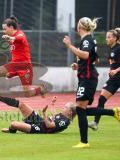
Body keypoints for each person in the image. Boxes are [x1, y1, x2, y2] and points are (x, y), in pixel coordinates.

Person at [0, 16, 47, 103]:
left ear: (11, 27)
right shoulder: (11, 37)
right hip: (17, 65)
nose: (3, 31)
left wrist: (11, 38)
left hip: (24, 66)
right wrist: (13, 73)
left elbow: (21, 38)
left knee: (27, 94)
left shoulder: (20, 34)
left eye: (5, 29)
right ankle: (40, 89)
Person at [0, 90, 120, 134]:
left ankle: (11, 130)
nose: (64, 107)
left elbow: (49, 125)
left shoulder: (65, 122)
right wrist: (52, 104)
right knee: (22, 104)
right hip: (41, 121)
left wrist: (44, 113)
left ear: (69, 113)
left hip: (41, 129)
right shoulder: (62, 116)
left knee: (14, 123)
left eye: (66, 107)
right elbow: (53, 118)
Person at [63, 17, 99, 148]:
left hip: (88, 78)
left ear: (80, 27)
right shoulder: (89, 40)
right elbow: (94, 60)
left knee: (80, 108)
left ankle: (84, 142)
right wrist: (79, 66)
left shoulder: (87, 40)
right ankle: (112, 112)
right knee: (81, 108)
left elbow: (85, 55)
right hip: (87, 76)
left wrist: (69, 45)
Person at [88, 29, 120, 131]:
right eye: (106, 37)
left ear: (115, 38)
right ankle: (95, 123)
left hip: (117, 76)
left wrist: (116, 70)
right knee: (101, 99)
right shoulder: (112, 49)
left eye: (109, 37)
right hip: (114, 79)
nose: (107, 39)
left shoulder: (118, 48)